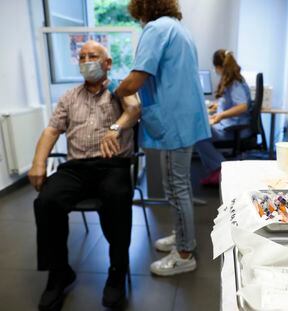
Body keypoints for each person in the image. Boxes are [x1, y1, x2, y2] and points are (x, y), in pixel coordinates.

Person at [28, 40, 140, 310]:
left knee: (117, 198)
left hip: (112, 165)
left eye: (93, 56)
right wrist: (38, 163)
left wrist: (115, 128)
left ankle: (117, 270)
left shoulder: (119, 89)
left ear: (107, 63)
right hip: (76, 168)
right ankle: (59, 273)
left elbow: (134, 109)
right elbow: (52, 131)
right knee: (47, 201)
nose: (87, 61)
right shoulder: (69, 97)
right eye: (82, 57)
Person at [115, 0, 210, 276]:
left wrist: (113, 91)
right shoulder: (179, 29)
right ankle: (181, 235)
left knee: (177, 187)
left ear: (143, 8)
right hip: (183, 118)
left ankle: (184, 253)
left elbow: (135, 80)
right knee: (177, 185)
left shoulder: (157, 29)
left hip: (174, 122)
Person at [195, 49, 252, 186]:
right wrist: (216, 107)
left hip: (233, 129)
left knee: (198, 134)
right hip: (228, 126)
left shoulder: (235, 83)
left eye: (215, 67)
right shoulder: (232, 81)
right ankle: (216, 169)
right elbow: (229, 102)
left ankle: (221, 168)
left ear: (219, 67)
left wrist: (220, 115)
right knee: (200, 132)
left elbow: (242, 106)